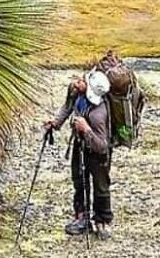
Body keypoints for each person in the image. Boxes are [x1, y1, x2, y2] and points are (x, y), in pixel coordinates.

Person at [44, 69, 113, 241]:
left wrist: (86, 129)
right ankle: (81, 217)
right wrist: (56, 123)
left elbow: (102, 146)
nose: (78, 81)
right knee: (79, 181)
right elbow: (68, 106)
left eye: (83, 80)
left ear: (89, 90)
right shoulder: (77, 92)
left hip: (97, 154)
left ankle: (103, 221)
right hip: (79, 145)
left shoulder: (99, 114)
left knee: (101, 186)